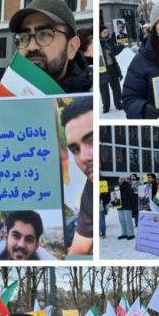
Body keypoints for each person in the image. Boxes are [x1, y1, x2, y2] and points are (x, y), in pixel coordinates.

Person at [0, 0, 91, 258]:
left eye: (45, 34)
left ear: (72, 46)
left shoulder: (94, 110)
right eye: (24, 37)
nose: (31, 46)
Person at [62, 97, 93, 255]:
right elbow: (79, 250)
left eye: (92, 140)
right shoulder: (89, 191)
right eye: (75, 149)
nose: (83, 157)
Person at [99, 25, 123, 113]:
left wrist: (121, 46)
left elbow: (115, 51)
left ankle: (118, 103)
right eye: (104, 32)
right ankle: (106, 107)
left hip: (112, 67)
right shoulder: (97, 43)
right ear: (99, 33)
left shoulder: (109, 41)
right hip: (101, 69)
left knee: (116, 87)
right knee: (104, 89)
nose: (106, 34)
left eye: (107, 32)